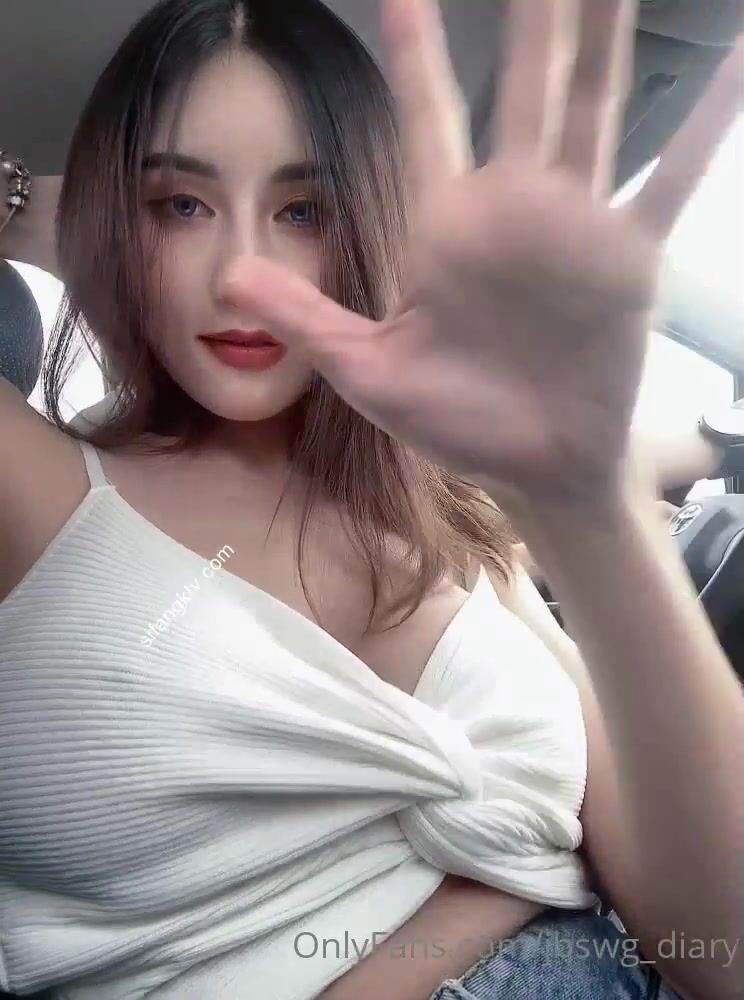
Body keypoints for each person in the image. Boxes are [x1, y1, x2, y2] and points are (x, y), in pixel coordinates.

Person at [0, 2, 741, 999]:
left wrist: (591, 504)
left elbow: (722, 950)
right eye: (181, 205)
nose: (243, 276)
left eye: (304, 210)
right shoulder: (37, 485)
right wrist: (39, 212)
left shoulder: (451, 507)